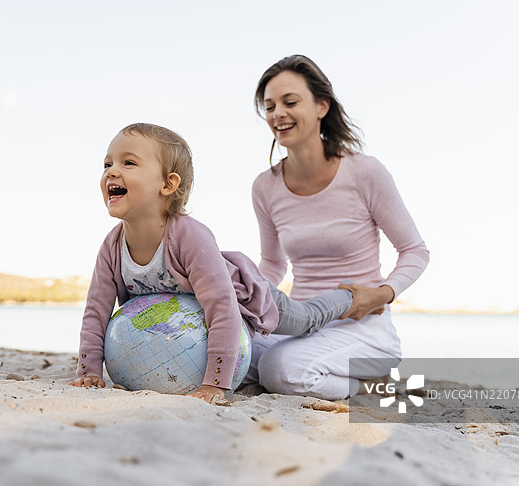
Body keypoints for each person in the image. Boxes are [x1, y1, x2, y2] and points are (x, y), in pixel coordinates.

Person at [69, 122, 360, 404]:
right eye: (107, 164)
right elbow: (96, 312)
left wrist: (215, 383)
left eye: (128, 163)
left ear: (168, 184)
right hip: (204, 313)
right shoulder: (112, 246)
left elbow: (222, 307)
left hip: (247, 295)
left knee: (307, 320)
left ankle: (349, 297)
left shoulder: (189, 237)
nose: (112, 172)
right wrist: (89, 372)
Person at [249, 55, 430, 400]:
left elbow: (414, 250)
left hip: (363, 327)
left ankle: (382, 388)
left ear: (321, 107)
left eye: (290, 102)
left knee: (280, 370)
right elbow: (273, 264)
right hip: (299, 322)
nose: (277, 115)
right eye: (270, 107)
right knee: (235, 352)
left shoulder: (364, 172)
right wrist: (250, 302)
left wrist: (382, 293)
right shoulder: (265, 187)